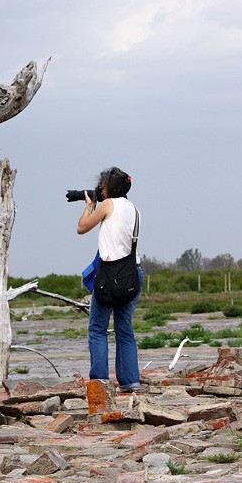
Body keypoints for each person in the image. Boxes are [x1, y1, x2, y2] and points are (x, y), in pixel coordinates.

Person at [76, 166, 144, 393]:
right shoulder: (134, 209)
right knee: (125, 330)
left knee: (97, 329)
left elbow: (81, 228)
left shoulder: (106, 205)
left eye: (102, 185)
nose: (100, 189)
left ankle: (100, 383)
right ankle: (130, 381)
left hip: (110, 276)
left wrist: (89, 206)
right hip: (133, 273)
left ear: (108, 187)